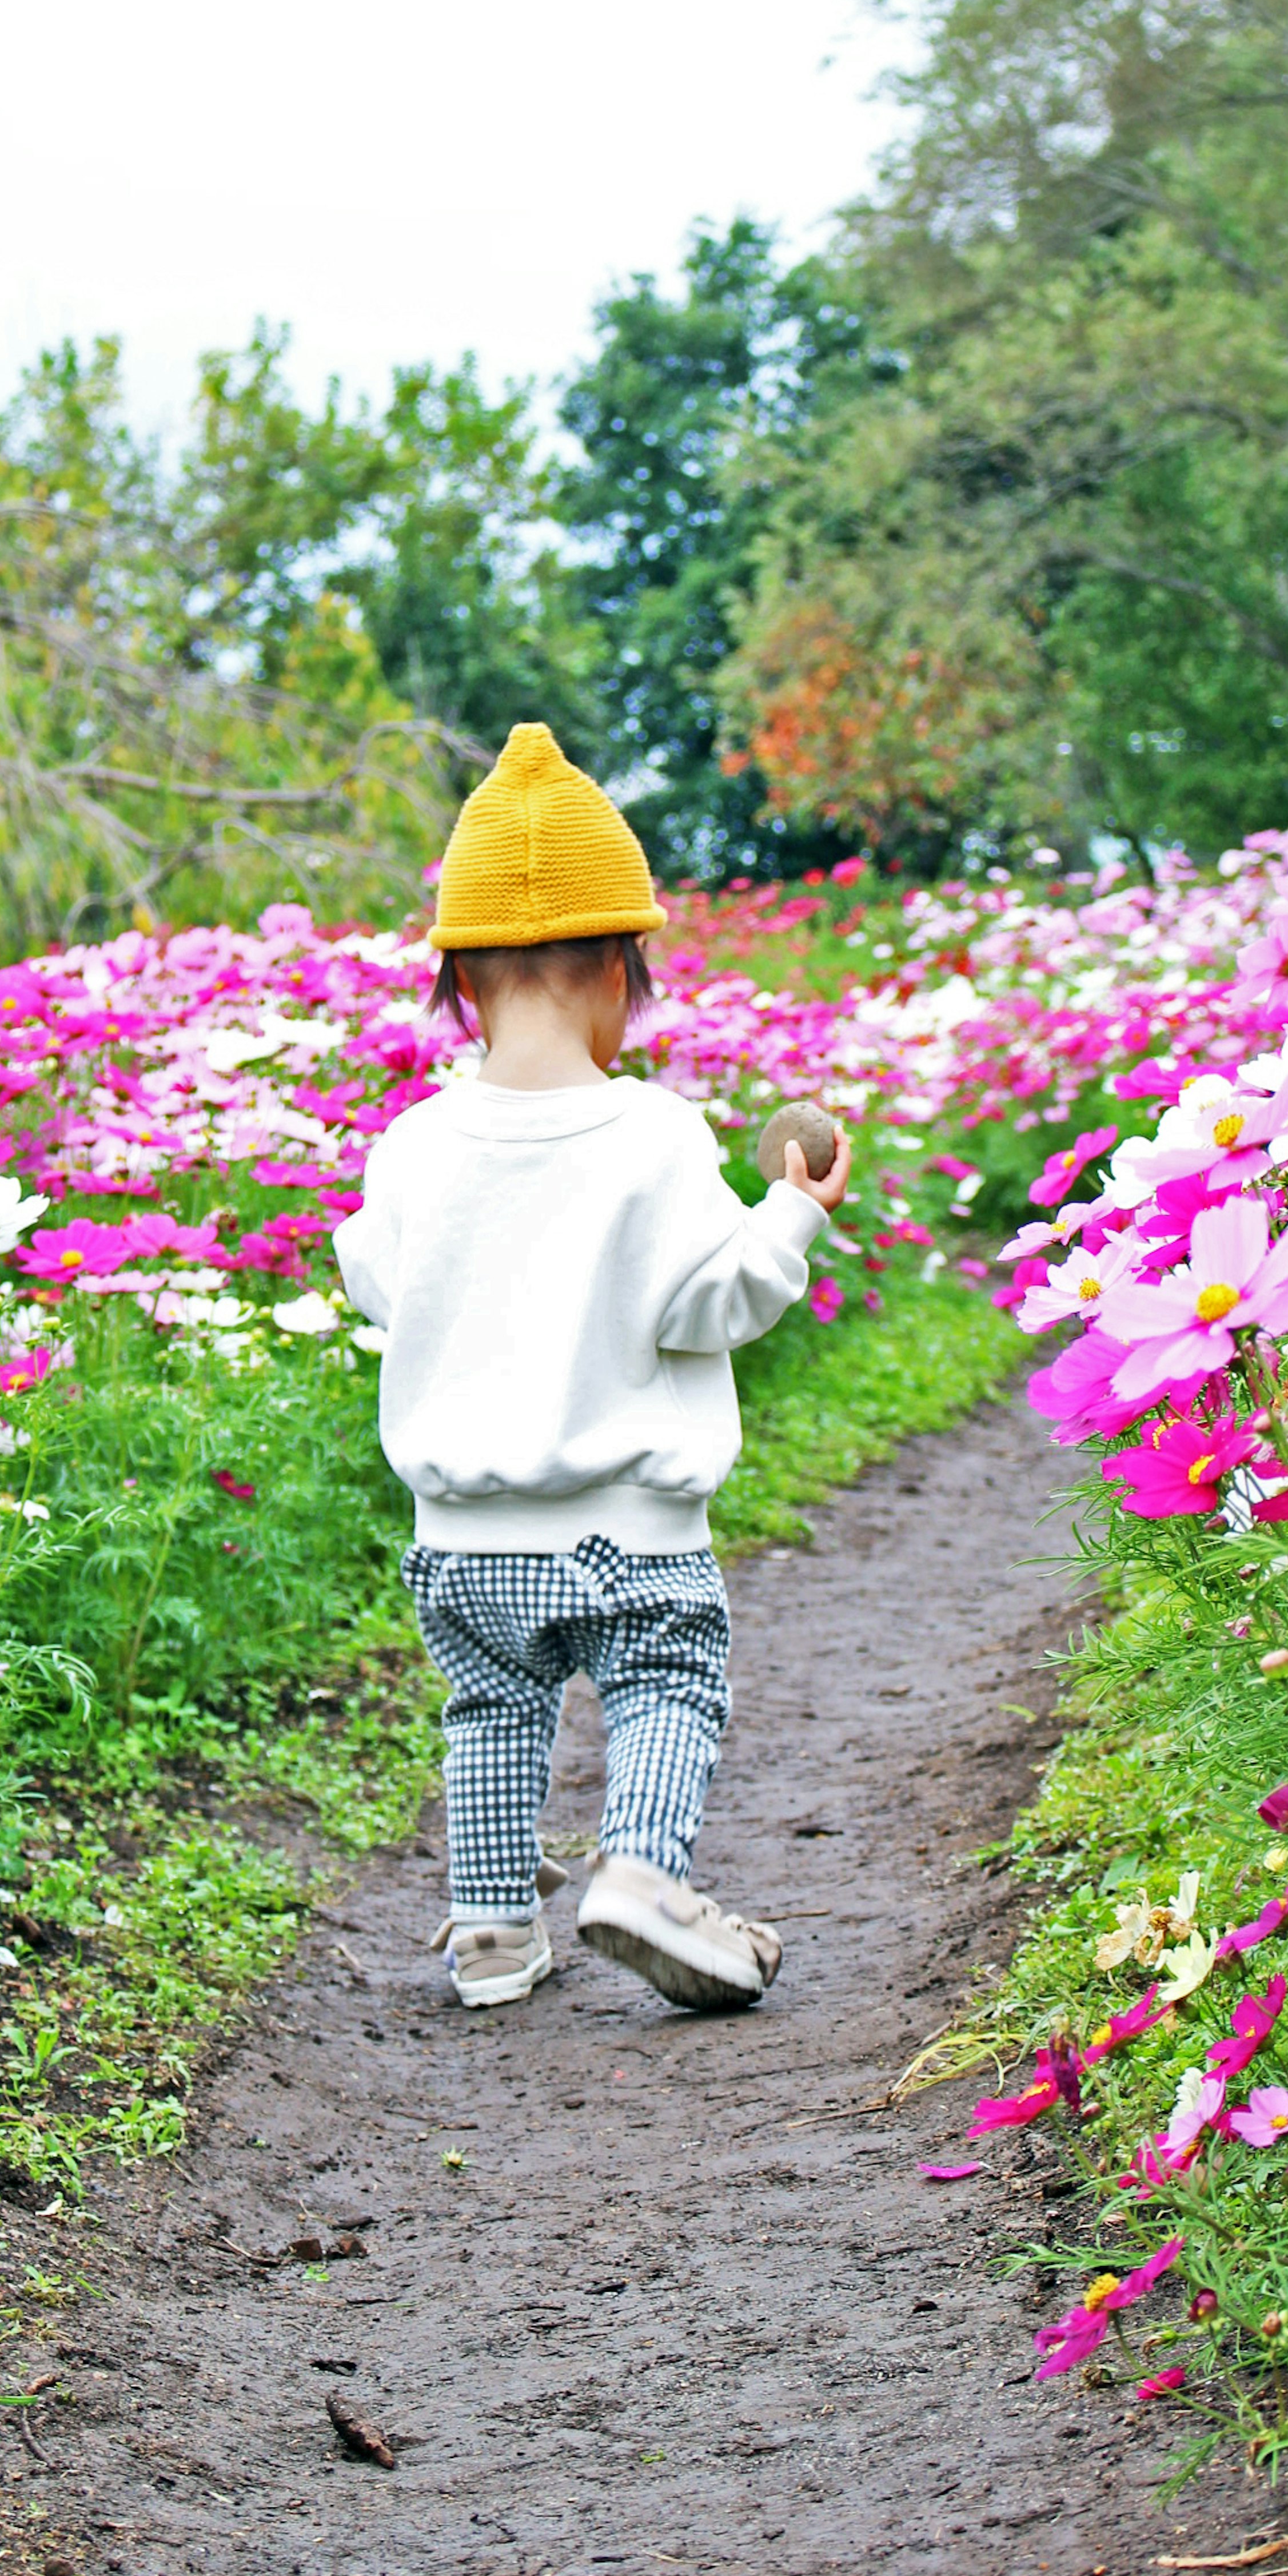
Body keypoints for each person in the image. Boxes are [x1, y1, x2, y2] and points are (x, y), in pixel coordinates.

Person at [333, 722, 851, 2014]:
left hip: (462, 1537)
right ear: (620, 970)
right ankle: (644, 1874)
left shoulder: (413, 1146)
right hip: (632, 1529)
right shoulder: (654, 1135)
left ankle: (495, 1932)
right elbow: (709, 1306)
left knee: (494, 1713)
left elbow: (383, 1288)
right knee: (667, 1686)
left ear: (459, 985)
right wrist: (790, 1212)